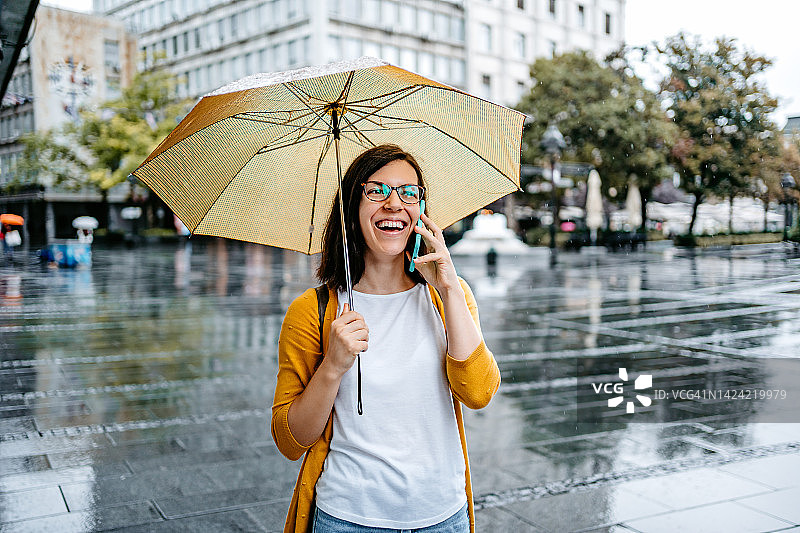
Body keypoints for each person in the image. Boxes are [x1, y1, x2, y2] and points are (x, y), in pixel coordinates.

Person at [271, 144, 500, 533]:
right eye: (376, 190)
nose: (394, 203)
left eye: (409, 192)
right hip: (348, 518)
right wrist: (334, 365)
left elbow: (478, 393)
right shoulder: (314, 310)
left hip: (443, 515)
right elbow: (291, 440)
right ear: (351, 208)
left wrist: (449, 289)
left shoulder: (446, 295)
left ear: (421, 209)